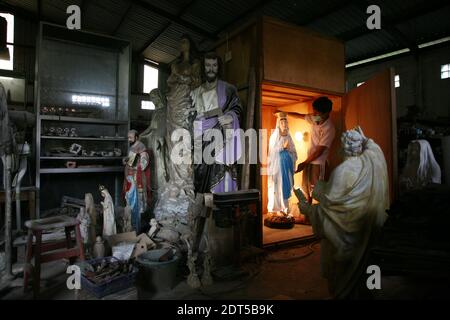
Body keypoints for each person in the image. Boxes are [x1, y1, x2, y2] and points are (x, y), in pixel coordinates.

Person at [294, 126, 389, 298]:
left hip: (346, 240)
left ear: (342, 147)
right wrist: (364, 137)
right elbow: (339, 201)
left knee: (343, 281)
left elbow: (332, 212)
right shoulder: (370, 164)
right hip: (366, 233)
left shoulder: (342, 171)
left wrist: (308, 209)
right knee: (364, 278)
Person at [153, 34, 201, 223]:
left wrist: (183, 79)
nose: (183, 44)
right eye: (180, 42)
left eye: (185, 41)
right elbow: (170, 82)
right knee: (174, 141)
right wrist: (180, 78)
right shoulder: (174, 64)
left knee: (184, 141)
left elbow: (196, 81)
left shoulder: (195, 63)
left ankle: (185, 183)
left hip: (186, 102)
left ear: (190, 44)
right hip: (174, 102)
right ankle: (175, 181)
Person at [191, 52, 242, 193]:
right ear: (203, 67)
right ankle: (204, 211)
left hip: (222, 138)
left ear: (219, 67)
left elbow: (237, 108)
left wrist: (230, 117)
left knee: (222, 175)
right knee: (200, 177)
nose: (211, 69)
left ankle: (221, 209)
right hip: (199, 142)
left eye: (214, 65)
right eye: (208, 65)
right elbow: (190, 116)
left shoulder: (228, 89)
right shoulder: (195, 93)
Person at [282, 96, 335, 224]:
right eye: (314, 111)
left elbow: (320, 150)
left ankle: (320, 220)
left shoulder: (329, 128)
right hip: (310, 162)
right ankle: (307, 218)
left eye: (318, 113)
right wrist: (285, 113)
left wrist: (304, 163)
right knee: (306, 190)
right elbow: (301, 116)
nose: (315, 115)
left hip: (319, 163)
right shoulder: (316, 119)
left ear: (327, 113)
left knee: (317, 191)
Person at [267, 112, 298, 214]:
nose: (284, 124)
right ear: (278, 124)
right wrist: (282, 147)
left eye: (285, 122)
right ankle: (277, 209)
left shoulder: (289, 136)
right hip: (278, 166)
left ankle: (286, 209)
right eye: (282, 122)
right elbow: (272, 151)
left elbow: (294, 150)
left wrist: (289, 150)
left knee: (286, 185)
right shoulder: (274, 136)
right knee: (277, 186)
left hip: (287, 165)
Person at [140, 88, 169, 194]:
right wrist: (141, 135)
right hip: (153, 138)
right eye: (151, 98)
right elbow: (151, 127)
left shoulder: (165, 110)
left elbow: (163, 127)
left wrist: (160, 137)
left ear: (159, 97)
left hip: (159, 139)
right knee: (153, 162)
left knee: (160, 163)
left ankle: (162, 186)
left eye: (153, 97)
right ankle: (155, 185)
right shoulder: (155, 112)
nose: (152, 100)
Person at [123, 129, 151, 232]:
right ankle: (131, 225)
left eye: (130, 137)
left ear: (136, 137)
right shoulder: (132, 148)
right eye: (128, 137)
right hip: (130, 178)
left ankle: (137, 227)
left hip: (137, 178)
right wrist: (126, 160)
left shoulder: (142, 150)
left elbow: (143, 165)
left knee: (137, 203)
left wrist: (135, 163)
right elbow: (129, 160)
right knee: (129, 201)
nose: (129, 139)